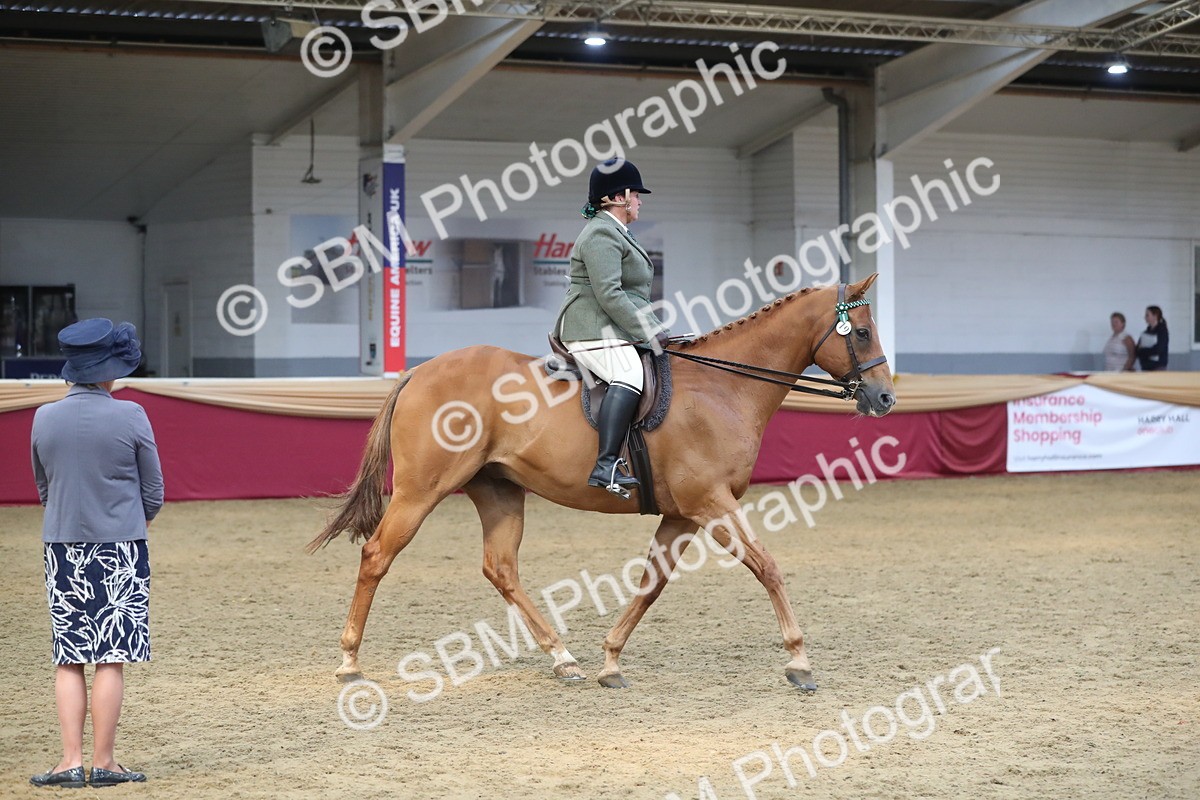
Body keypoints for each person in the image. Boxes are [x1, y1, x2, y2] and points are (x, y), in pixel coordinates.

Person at [29, 319, 163, 788]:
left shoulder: (43, 417)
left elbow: (43, 486)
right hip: (121, 546)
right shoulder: (132, 416)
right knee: (111, 657)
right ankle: (105, 762)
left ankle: (69, 762)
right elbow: (154, 490)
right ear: (110, 369)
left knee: (68, 656)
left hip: (62, 545)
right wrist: (130, 521)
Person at [554, 158, 669, 497]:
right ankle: (606, 465)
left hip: (610, 326)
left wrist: (657, 327)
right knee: (629, 375)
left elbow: (631, 296)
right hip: (589, 327)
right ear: (619, 197)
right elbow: (610, 294)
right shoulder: (601, 233)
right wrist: (646, 332)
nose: (640, 201)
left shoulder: (618, 232)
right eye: (637, 195)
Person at [1135, 305, 1169, 371]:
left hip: (1157, 367)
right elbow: (1137, 349)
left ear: (1155, 316)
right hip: (1146, 366)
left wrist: (1143, 351)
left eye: (1147, 315)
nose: (1145, 317)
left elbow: (1158, 349)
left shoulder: (1162, 332)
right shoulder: (1145, 332)